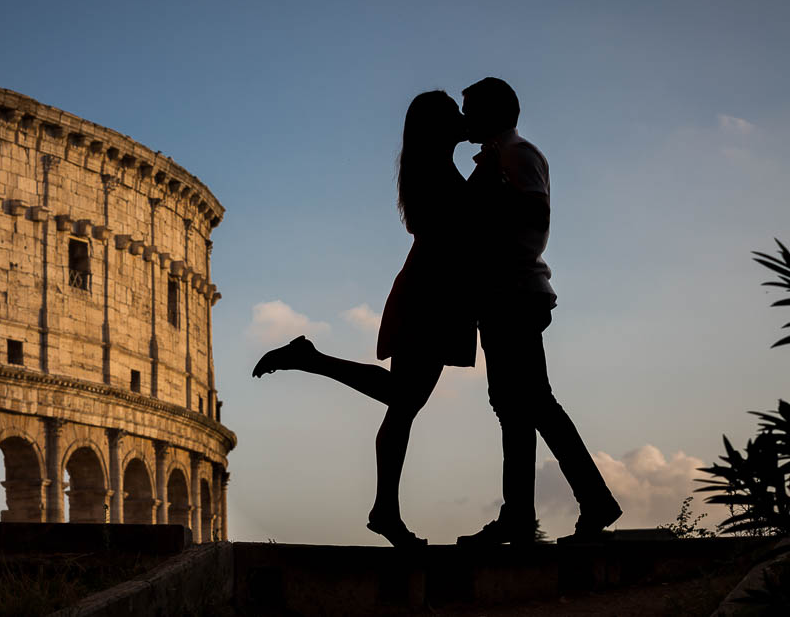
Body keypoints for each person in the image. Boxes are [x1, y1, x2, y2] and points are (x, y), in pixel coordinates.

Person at [252, 90, 477, 548]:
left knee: (403, 403)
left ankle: (385, 510)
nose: (461, 117)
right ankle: (309, 359)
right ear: (438, 126)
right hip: (432, 293)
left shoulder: (432, 168)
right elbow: (460, 228)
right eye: (453, 112)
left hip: (434, 291)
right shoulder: (438, 172)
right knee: (403, 399)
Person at [457, 78, 622, 545]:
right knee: (516, 406)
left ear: (493, 113)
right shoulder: (501, 156)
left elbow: (534, 215)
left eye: (471, 111)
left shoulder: (517, 154)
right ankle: (528, 514)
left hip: (514, 292)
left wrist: (487, 196)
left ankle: (586, 503)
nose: (465, 120)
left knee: (531, 403)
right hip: (502, 294)